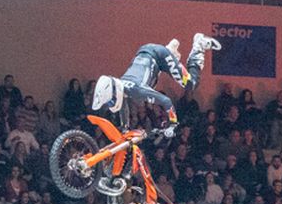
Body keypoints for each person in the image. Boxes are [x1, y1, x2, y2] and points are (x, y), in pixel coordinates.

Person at [92, 33, 221, 135]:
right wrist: (125, 127)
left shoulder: (137, 91)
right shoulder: (121, 85)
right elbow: (123, 104)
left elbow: (166, 101)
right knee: (150, 84)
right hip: (147, 54)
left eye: (110, 101)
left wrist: (173, 124)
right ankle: (170, 51)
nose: (110, 104)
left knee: (191, 84)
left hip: (159, 57)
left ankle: (198, 46)